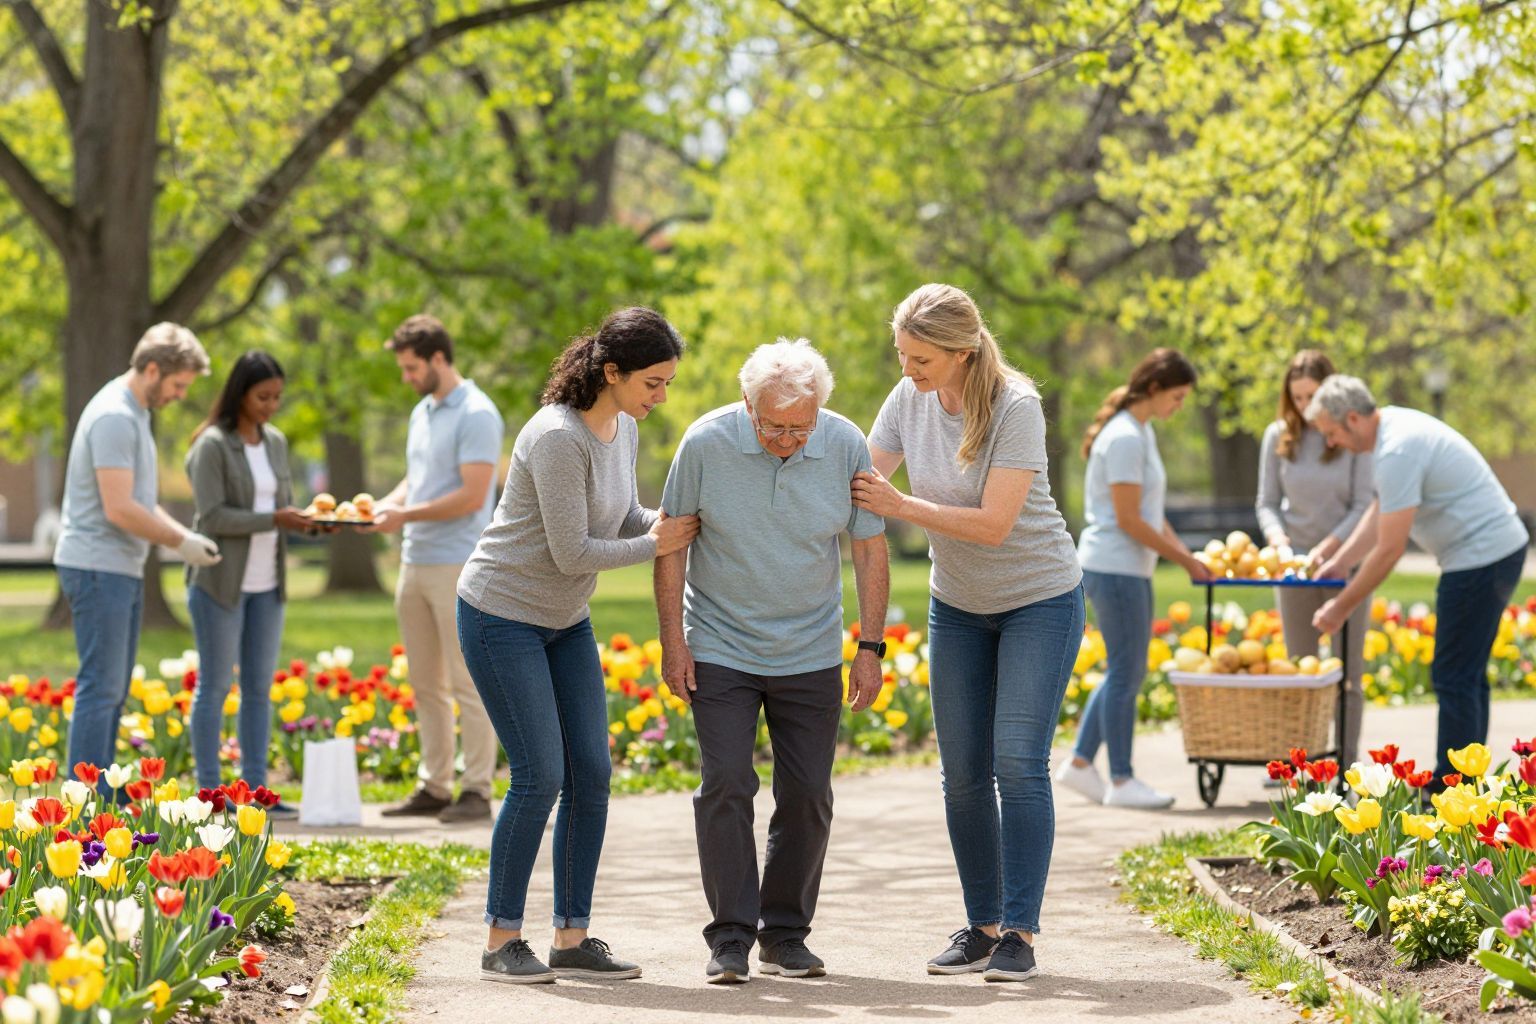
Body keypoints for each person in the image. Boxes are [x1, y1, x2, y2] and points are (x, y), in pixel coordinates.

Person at [457, 307, 698, 984]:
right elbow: (571, 553)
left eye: (667, 383)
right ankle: (501, 939)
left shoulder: (620, 430)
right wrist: (657, 543)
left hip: (565, 622)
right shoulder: (557, 437)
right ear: (612, 372)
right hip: (502, 615)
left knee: (591, 772)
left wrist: (676, 523)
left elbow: (621, 518)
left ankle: (571, 937)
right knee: (540, 776)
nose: (661, 397)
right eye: (653, 383)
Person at [853, 284, 1085, 983]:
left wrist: (899, 507)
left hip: (1037, 600)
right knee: (961, 776)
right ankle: (981, 926)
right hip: (956, 604)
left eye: (920, 359)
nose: (907, 372)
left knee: (1017, 762)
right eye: (901, 356)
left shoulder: (1016, 406)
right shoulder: (908, 399)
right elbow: (858, 475)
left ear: (961, 351)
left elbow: (993, 525)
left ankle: (1020, 931)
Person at [657, 338, 889, 985]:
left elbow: (870, 550)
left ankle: (784, 934)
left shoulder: (844, 443)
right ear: (745, 405)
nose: (787, 439)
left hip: (811, 650)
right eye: (773, 426)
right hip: (722, 646)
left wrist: (869, 648)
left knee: (808, 794)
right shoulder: (703, 446)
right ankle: (730, 935)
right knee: (727, 781)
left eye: (799, 427)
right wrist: (674, 643)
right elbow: (671, 547)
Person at [1306, 375, 1529, 781]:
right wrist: (1340, 561)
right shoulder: (1394, 432)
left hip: (1481, 557)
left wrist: (1340, 607)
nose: (1331, 442)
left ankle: (1451, 788)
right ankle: (1466, 781)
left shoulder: (1397, 450)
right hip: (1492, 552)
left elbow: (1389, 549)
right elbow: (1381, 509)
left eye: (1332, 432)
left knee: (1453, 674)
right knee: (1466, 672)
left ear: (1353, 418)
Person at [54, 323, 222, 790]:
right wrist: (179, 542)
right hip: (96, 565)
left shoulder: (134, 413)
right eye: (177, 385)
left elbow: (140, 500)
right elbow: (120, 507)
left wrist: (181, 532)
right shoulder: (115, 416)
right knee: (101, 687)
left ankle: (101, 797)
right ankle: (86, 802)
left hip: (117, 566)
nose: (179, 395)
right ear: (152, 369)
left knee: (113, 689)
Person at [1057, 347, 1209, 811]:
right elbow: (1128, 519)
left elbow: (1151, 514)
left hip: (1128, 567)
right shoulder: (1124, 437)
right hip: (1114, 566)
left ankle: (1082, 765)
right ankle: (1121, 780)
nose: (1178, 407)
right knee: (1126, 673)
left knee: (1125, 670)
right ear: (1156, 387)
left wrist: (1187, 554)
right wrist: (1184, 563)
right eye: (1178, 397)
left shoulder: (1140, 432)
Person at [370, 315, 504, 823]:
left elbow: (472, 495)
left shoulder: (476, 413)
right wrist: (383, 508)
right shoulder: (422, 412)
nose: (406, 377)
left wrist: (404, 514)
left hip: (458, 561)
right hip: (414, 559)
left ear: (439, 359)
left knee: (467, 681)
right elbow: (418, 480)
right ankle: (435, 784)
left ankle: (476, 790)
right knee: (425, 682)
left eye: (411, 368)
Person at [185, 352, 311, 816]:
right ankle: (211, 795)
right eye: (263, 396)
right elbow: (212, 515)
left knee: (259, 688)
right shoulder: (212, 446)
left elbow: (284, 504)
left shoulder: (275, 443)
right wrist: (274, 519)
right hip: (219, 583)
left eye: (277, 396)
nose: (271, 406)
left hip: (267, 585)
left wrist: (307, 521)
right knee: (215, 686)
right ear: (240, 393)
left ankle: (255, 794)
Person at [1254, 351, 1373, 768]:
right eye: (1297, 398)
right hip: (1294, 570)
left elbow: (1363, 505)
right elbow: (1266, 503)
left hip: (1346, 565)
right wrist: (1279, 540)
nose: (1304, 407)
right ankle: (1300, 766)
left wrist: (1329, 550)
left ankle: (1345, 766)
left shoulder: (1349, 437)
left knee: (1346, 674)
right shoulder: (1277, 437)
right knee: (1298, 669)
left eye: (1311, 397)